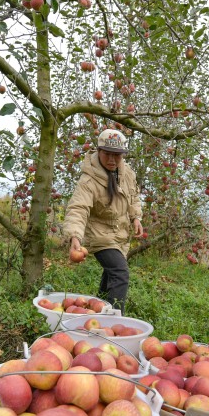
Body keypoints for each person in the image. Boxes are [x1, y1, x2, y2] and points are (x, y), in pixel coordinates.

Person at [62, 129, 143, 314]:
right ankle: (114, 319)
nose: (112, 160)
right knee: (120, 272)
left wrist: (136, 217)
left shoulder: (127, 173)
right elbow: (78, 208)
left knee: (110, 277)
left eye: (117, 155)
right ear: (99, 151)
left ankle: (98, 312)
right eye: (107, 154)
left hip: (120, 235)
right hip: (99, 235)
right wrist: (75, 236)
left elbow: (133, 196)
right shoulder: (88, 180)